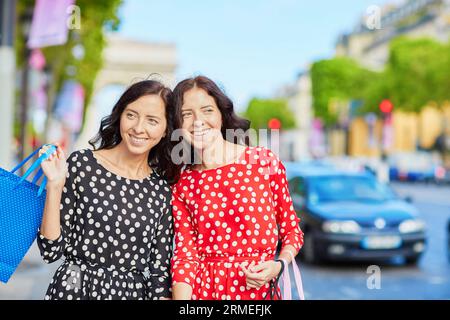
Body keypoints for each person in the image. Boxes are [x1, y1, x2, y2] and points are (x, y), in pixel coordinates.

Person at [37, 80, 177, 300]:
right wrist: (55, 186)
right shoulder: (82, 164)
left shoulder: (162, 191)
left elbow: (159, 274)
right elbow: (50, 250)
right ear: (120, 115)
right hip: (73, 290)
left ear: (166, 129)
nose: (138, 128)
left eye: (152, 120)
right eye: (131, 115)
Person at [170, 76, 304, 300]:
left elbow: (292, 231)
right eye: (186, 114)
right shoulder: (183, 183)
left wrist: (279, 265)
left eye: (207, 110)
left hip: (258, 295)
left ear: (221, 114)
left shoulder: (263, 163)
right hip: (203, 295)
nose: (197, 121)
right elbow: (186, 256)